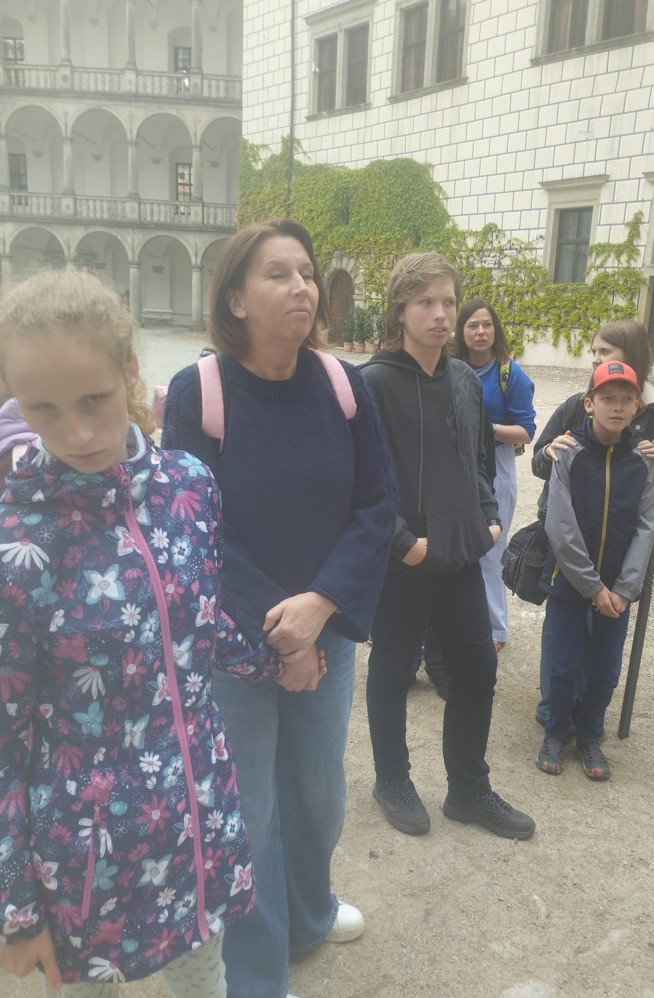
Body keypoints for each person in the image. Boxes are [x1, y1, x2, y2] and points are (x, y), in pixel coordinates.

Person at [0, 270, 280, 995]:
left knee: (204, 982)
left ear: (129, 370)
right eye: (44, 408)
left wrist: (272, 661)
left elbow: (196, 619)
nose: (77, 432)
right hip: (82, 863)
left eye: (93, 399)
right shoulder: (15, 543)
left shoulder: (189, 485)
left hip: (195, 822)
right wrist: (16, 910)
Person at [162, 220, 395, 998]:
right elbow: (197, 529)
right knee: (250, 809)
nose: (301, 286)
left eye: (306, 273)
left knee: (317, 793)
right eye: (277, 274)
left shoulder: (342, 384)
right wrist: (284, 634)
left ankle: (308, 913)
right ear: (235, 299)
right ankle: (259, 975)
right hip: (237, 646)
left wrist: (319, 608)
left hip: (325, 630)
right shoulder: (201, 392)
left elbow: (376, 504)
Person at [360, 252, 535, 841]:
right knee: (391, 670)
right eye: (426, 302)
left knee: (478, 669)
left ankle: (468, 790)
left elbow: (479, 458)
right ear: (400, 310)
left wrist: (489, 519)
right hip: (404, 563)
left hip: (460, 553)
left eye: (448, 302)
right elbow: (363, 482)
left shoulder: (463, 378)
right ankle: (392, 780)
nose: (441, 314)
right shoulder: (372, 383)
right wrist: (404, 544)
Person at [531, 319, 654, 729]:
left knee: (603, 648)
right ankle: (554, 714)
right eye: (595, 351)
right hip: (571, 541)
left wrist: (653, 468)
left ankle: (586, 719)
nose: (595, 359)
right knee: (562, 639)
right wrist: (549, 452)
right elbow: (539, 461)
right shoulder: (577, 403)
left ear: (631, 358)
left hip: (618, 548)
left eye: (605, 352)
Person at [536, 360, 654, 780]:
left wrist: (625, 588)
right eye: (608, 398)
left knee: (606, 670)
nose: (617, 406)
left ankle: (590, 736)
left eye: (626, 399)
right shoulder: (569, 453)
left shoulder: (641, 461)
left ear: (637, 405)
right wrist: (591, 586)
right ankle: (555, 732)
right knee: (564, 665)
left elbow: (647, 524)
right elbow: (560, 524)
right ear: (589, 403)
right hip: (571, 584)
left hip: (618, 591)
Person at [454, 299, 536, 650]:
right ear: (461, 331)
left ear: (496, 330)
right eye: (472, 325)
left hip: (497, 464)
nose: (480, 332)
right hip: (456, 464)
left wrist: (484, 428)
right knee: (456, 547)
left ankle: (494, 630)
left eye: (487, 325)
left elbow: (526, 432)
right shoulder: (448, 366)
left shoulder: (509, 374)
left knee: (491, 547)